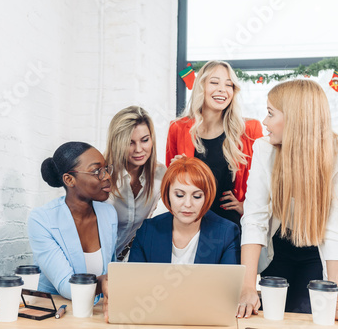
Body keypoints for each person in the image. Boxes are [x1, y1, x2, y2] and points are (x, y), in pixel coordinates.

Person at [237, 80, 338, 329]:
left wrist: (337, 297)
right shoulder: (264, 149)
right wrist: (247, 287)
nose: (264, 122)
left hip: (317, 251)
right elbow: (255, 218)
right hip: (278, 249)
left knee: (315, 318)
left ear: (295, 119)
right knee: (272, 319)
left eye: (270, 113)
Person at [166, 60, 263, 227]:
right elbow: (170, 187)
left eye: (229, 84)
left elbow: (264, 180)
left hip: (230, 225)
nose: (222, 89)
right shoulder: (177, 128)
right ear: (201, 86)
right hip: (190, 224)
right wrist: (176, 171)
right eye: (214, 82)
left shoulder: (249, 130)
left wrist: (245, 206)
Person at [28, 141, 117, 300]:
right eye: (97, 171)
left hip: (95, 312)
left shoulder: (108, 213)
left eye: (106, 169)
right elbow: (66, 285)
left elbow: (113, 268)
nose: (107, 176)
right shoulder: (42, 220)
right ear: (69, 180)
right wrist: (105, 282)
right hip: (57, 313)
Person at [128, 156, 240, 264]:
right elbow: (134, 280)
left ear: (207, 197)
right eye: (180, 195)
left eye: (197, 196)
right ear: (167, 194)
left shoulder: (226, 233)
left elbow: (229, 283)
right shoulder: (148, 231)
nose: (187, 204)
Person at [104, 106, 166, 261]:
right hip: (92, 262)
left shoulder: (160, 173)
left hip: (125, 261)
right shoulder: (102, 174)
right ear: (117, 143)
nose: (139, 149)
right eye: (130, 143)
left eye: (145, 140)